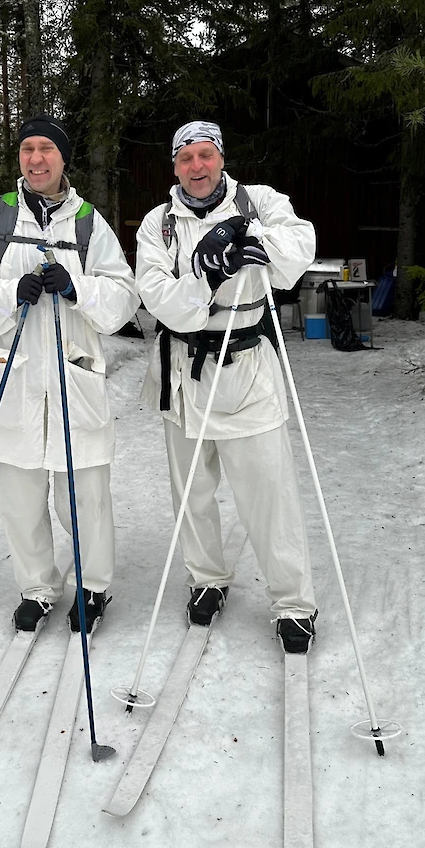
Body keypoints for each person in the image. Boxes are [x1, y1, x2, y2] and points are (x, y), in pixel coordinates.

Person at [0, 114, 139, 634]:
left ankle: (93, 588)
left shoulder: (87, 222)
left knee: (85, 498)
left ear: (62, 159)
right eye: (27, 149)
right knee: (22, 499)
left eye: (46, 149)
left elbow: (123, 296)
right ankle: (36, 588)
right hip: (17, 381)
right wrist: (9, 293)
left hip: (74, 380)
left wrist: (76, 286)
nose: (35, 159)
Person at [135, 120, 318, 653]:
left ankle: (293, 603)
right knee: (192, 491)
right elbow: (157, 296)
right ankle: (206, 579)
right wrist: (204, 272)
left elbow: (299, 246)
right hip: (183, 368)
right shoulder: (158, 224)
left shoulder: (257, 201)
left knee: (269, 492)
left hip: (247, 364)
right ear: (174, 166)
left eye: (205, 155)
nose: (197, 166)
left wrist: (243, 235)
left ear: (220, 157)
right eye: (185, 157)